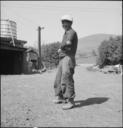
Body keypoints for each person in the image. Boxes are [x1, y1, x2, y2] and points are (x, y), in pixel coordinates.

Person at [53, 15, 78, 110]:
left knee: (67, 77)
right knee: (58, 77)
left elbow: (68, 42)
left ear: (70, 23)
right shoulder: (65, 32)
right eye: (63, 22)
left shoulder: (71, 32)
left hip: (68, 57)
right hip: (63, 58)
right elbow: (66, 43)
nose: (64, 24)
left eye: (66, 22)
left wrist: (60, 48)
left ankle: (71, 101)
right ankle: (60, 97)